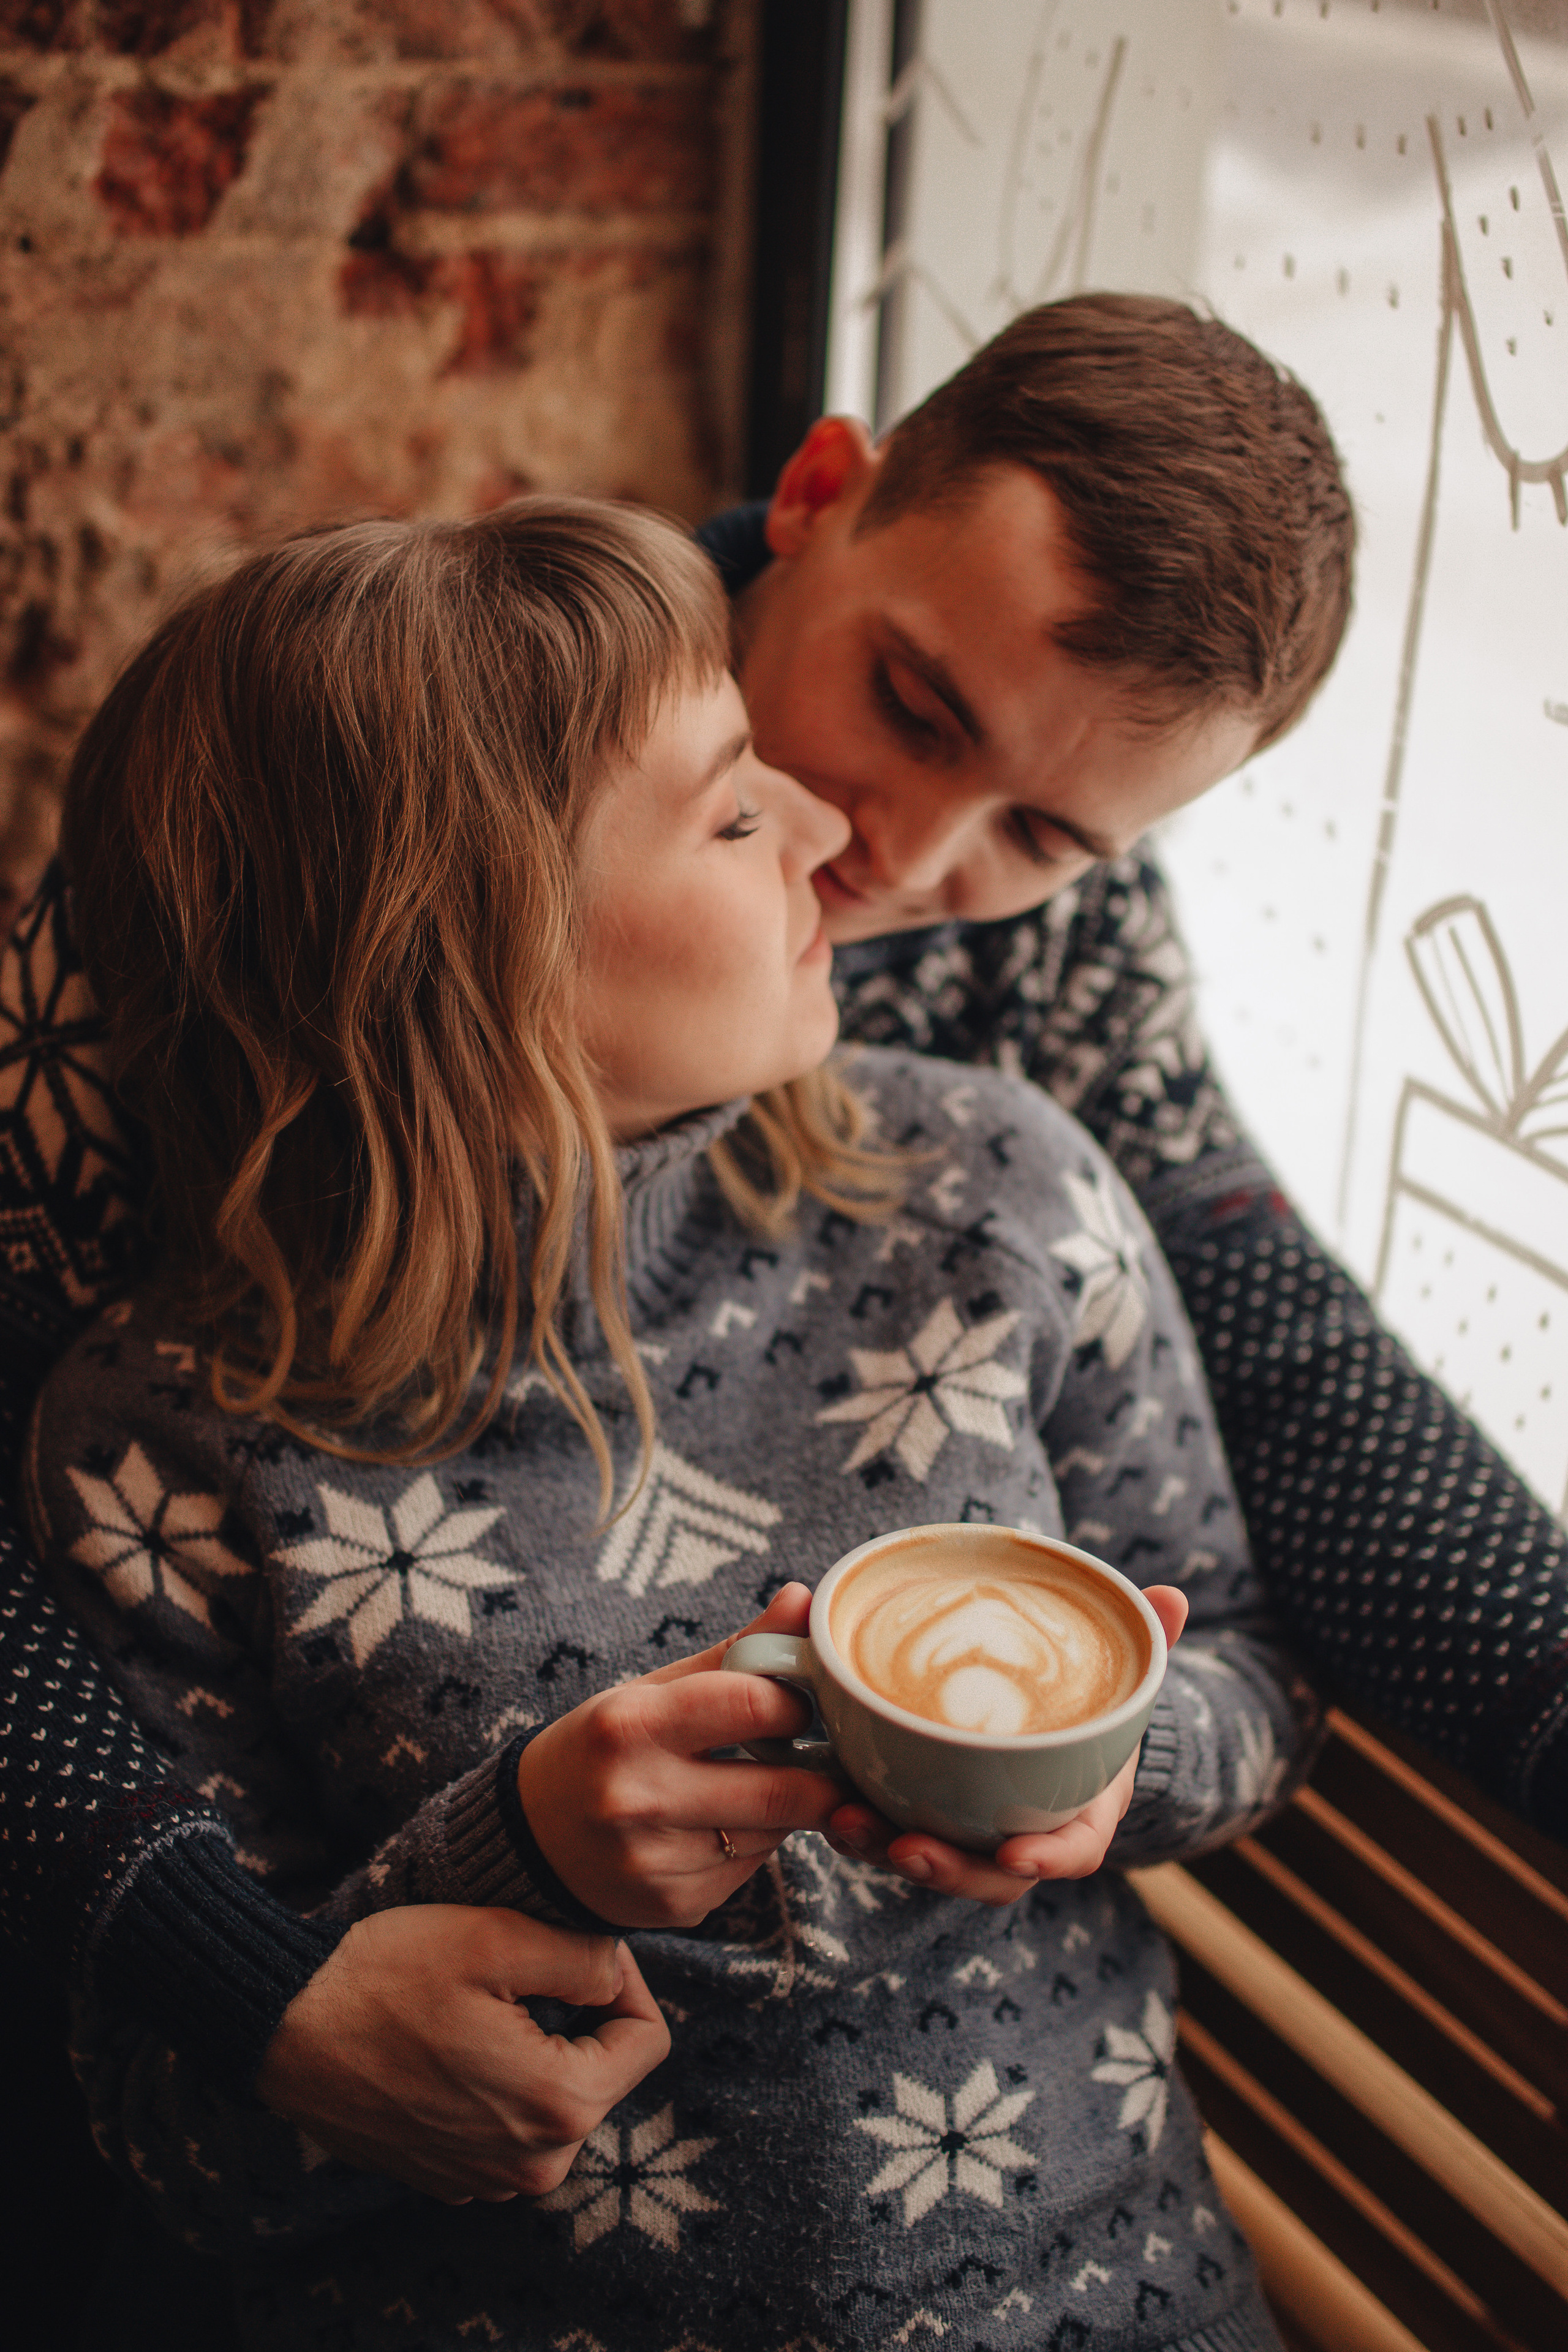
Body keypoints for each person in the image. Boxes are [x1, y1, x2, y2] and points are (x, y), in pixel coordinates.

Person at [2, 294, 1564, 2199]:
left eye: (1049, 836)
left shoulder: (1011, 1077)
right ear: (823, 495)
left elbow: (1280, 1355)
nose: (899, 859)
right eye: (913, 707)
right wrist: (232, 1971)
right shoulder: (352, 804)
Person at [27, 492, 1314, 2350]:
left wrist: (1128, 1764)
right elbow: (189, 2165)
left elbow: (1258, 1675)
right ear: (463, 966)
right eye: (731, 809)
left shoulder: (996, 1192)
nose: (827, 830)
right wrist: (514, 1859)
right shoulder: (159, 1444)